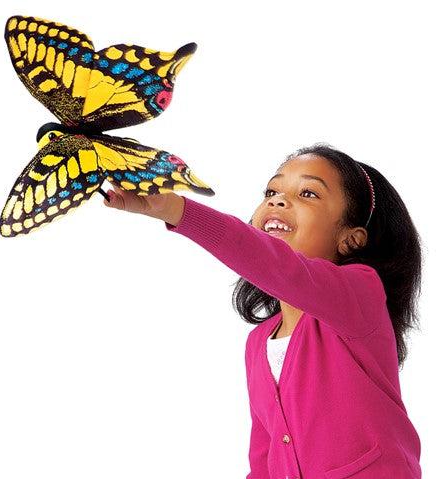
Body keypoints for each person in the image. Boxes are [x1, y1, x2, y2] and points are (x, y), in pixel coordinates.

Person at [103, 142, 423, 478]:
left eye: (308, 194)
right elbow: (265, 453)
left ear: (351, 239)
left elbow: (279, 267)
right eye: (272, 191)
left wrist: (177, 210)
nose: (277, 200)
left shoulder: (361, 293)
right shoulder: (259, 341)